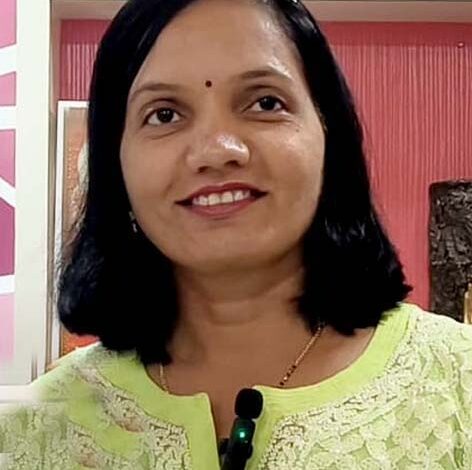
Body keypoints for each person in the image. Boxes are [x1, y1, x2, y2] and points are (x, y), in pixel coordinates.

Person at [1, 0, 471, 468]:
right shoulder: (39, 432)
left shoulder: (457, 385)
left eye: (265, 103)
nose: (217, 150)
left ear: (330, 137)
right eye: (164, 114)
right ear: (115, 165)